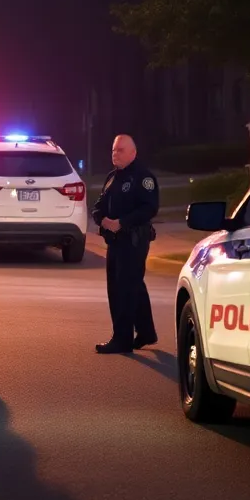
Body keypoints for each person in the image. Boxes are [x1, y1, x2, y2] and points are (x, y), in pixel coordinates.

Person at [91, 134, 159, 353]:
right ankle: (146, 332)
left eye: (120, 150)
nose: (115, 154)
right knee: (132, 286)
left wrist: (122, 222)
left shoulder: (143, 177)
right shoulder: (113, 177)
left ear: (133, 153)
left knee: (124, 288)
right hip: (115, 241)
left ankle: (122, 339)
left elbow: (149, 208)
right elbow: (99, 205)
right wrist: (102, 220)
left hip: (134, 239)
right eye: (113, 150)